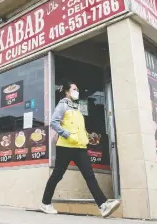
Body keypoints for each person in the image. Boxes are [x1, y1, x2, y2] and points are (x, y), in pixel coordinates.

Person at [40, 81, 120, 217]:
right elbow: (54, 122)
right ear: (67, 91)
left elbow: (78, 128)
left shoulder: (76, 108)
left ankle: (103, 205)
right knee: (57, 175)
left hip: (79, 147)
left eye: (77, 89)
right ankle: (45, 203)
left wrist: (88, 136)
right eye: (74, 89)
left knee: (89, 175)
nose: (77, 91)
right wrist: (67, 135)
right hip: (66, 146)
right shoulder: (63, 105)